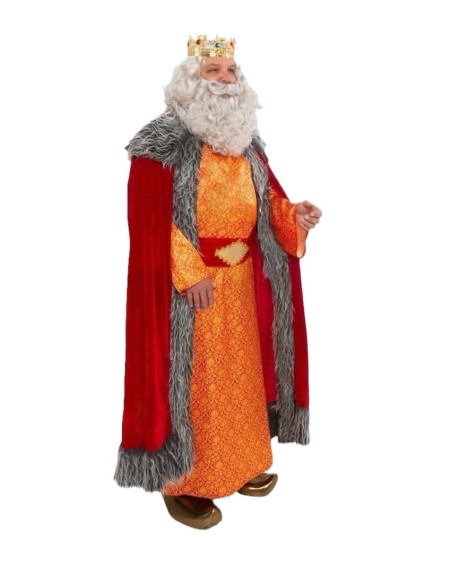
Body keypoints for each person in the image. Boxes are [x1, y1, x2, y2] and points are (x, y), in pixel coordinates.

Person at [114, 35, 322, 529]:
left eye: (231, 72)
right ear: (191, 81)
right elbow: (149, 219)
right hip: (193, 291)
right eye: (214, 71)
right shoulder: (161, 143)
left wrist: (293, 215)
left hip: (242, 285)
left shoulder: (246, 145)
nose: (226, 81)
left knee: (242, 379)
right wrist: (189, 272)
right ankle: (187, 481)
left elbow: (268, 204)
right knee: (196, 383)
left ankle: (242, 462)